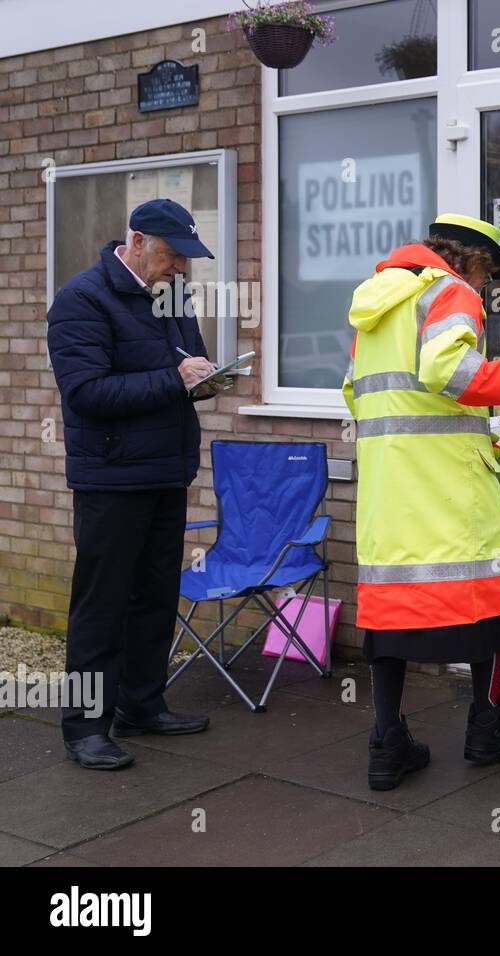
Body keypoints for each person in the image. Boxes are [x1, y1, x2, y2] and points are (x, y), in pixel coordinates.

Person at [343, 213, 500, 790]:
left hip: (389, 485)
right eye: (490, 277)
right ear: (473, 261)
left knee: (391, 612)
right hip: (450, 483)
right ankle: (484, 726)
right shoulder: (450, 291)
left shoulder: (377, 304)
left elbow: (356, 390)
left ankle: (387, 744)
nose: (486, 290)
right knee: (486, 598)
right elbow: (447, 369)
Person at [46, 198, 225, 770]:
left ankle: (142, 707)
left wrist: (204, 380)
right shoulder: (81, 300)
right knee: (101, 607)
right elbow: (87, 393)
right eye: (173, 256)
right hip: (111, 479)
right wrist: (174, 380)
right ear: (139, 241)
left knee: (153, 598)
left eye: (186, 259)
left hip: (166, 472)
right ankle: (84, 729)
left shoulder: (172, 295)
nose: (180, 269)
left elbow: (186, 364)